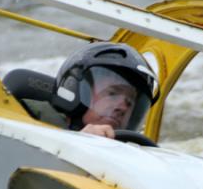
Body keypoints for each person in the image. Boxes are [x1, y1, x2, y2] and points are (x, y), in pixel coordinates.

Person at [15, 42, 158, 139]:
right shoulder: (24, 122)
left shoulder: (135, 154)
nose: (122, 107)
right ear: (73, 89)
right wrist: (78, 141)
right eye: (112, 93)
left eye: (129, 102)